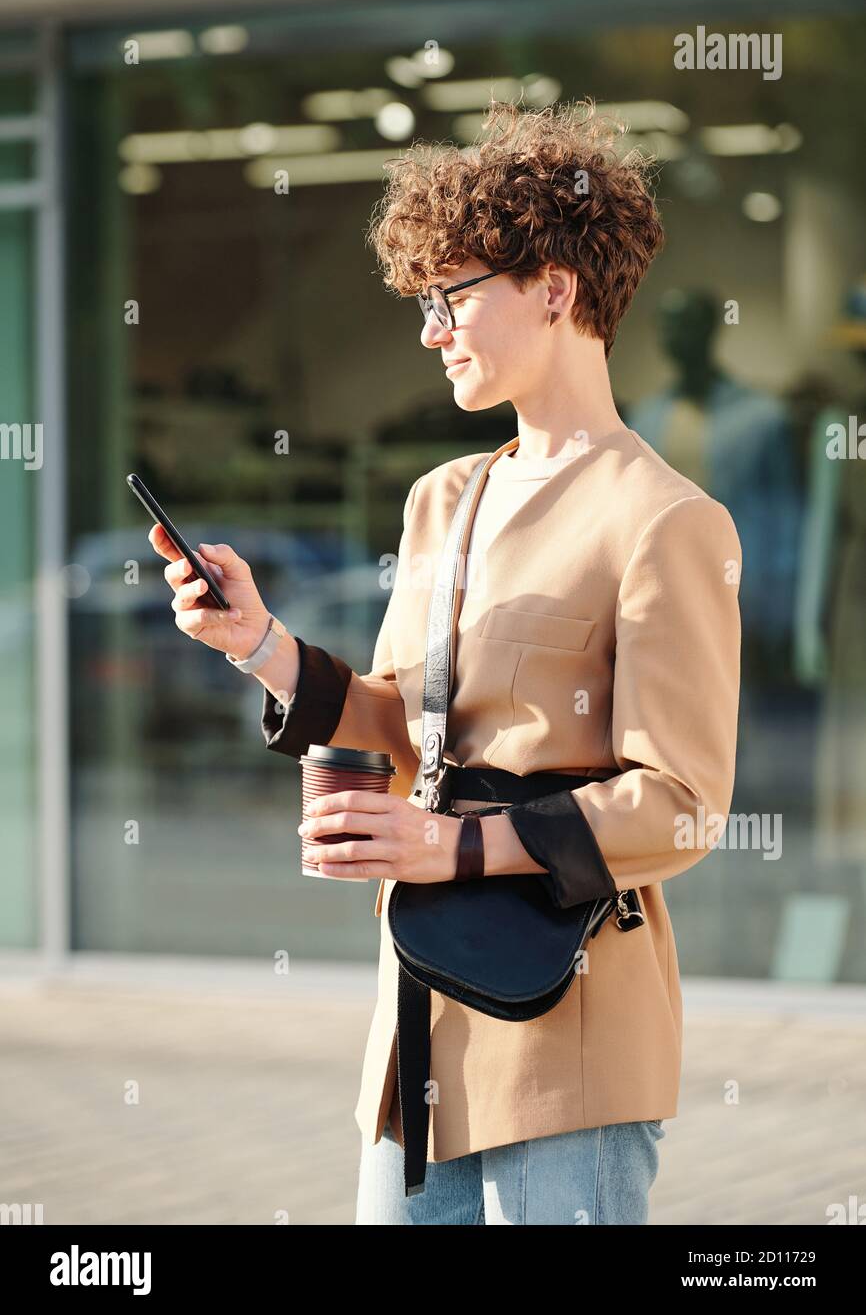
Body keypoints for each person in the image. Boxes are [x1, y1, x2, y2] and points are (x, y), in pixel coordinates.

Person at [149, 98, 742, 1225]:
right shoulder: (443, 500)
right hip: (417, 1026)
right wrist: (261, 643)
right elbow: (401, 720)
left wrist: (452, 842)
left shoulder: (666, 522)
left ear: (554, 289)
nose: (431, 331)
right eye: (424, 303)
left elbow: (678, 807)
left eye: (452, 297)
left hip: (565, 1040)